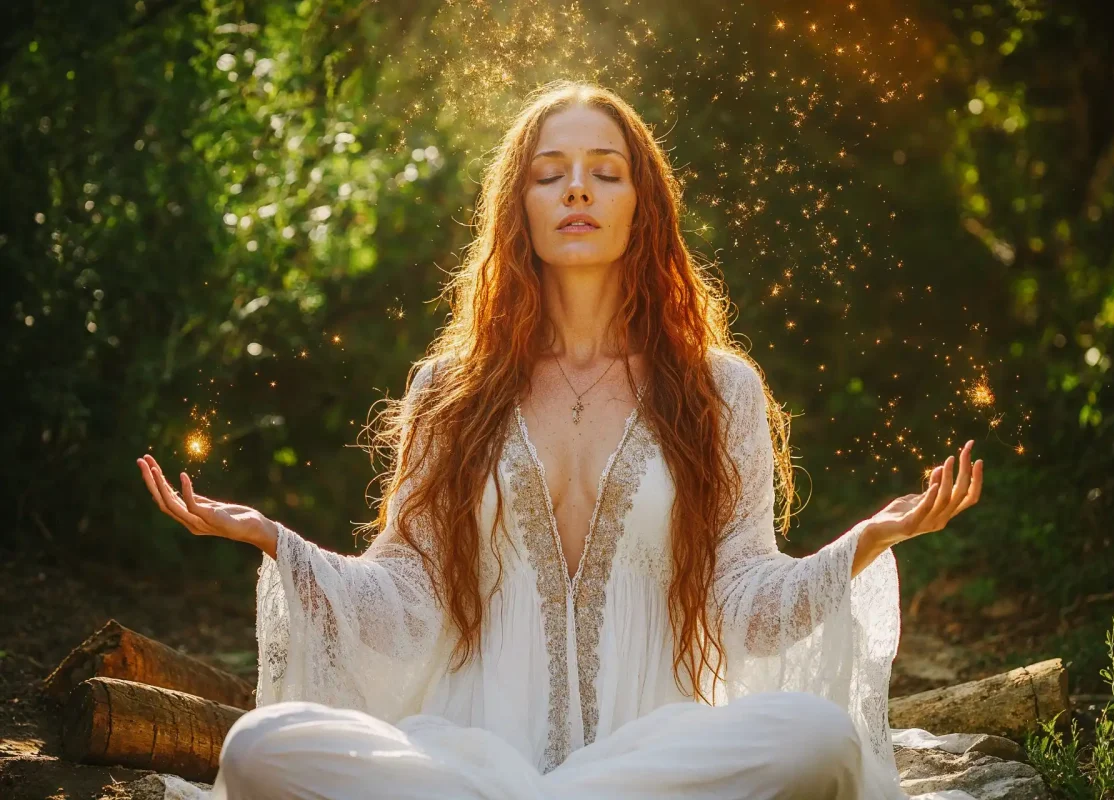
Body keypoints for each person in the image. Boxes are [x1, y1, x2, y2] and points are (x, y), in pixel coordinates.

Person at [137, 80, 983, 800]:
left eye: (605, 173)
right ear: (521, 210)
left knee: (819, 740)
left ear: (640, 206)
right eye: (551, 176)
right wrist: (277, 543)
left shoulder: (721, 389)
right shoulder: (449, 390)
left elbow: (745, 599)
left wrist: (867, 542)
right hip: (473, 761)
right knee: (261, 747)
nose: (577, 190)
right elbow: (407, 591)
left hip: (657, 756)